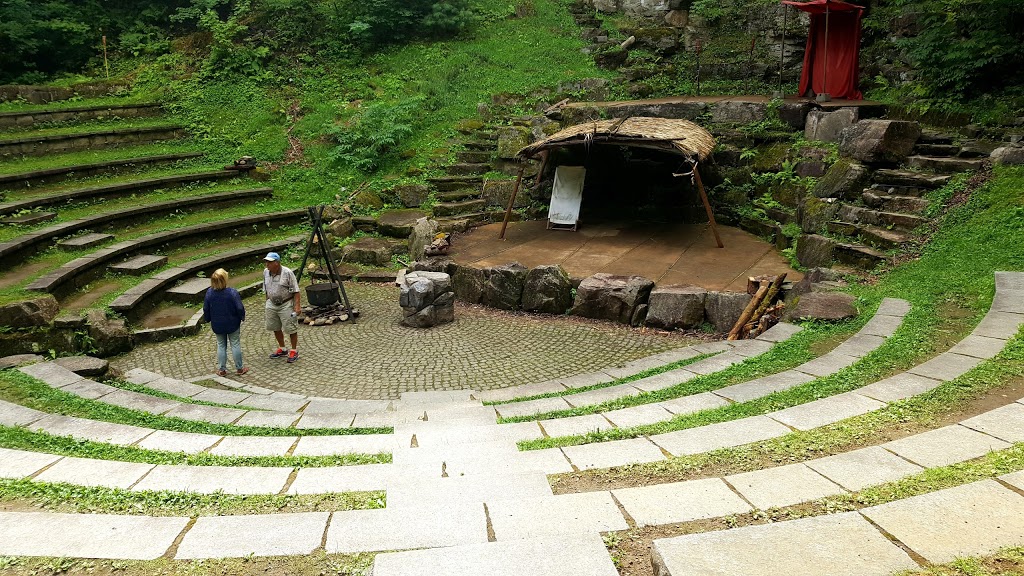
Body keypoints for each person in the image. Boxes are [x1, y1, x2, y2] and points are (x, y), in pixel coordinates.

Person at [202, 268, 249, 376]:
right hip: (232, 323)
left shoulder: (209, 293)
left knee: (221, 345)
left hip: (217, 324)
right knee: (235, 344)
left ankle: (222, 369)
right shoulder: (232, 292)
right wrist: (241, 317)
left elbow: (206, 308)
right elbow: (239, 307)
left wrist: (208, 319)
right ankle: (239, 368)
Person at [263, 251, 301, 363]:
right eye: (266, 262)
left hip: (286, 303)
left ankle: (294, 350)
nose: (267, 264)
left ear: (277, 263)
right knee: (275, 327)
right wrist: (267, 302)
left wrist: (297, 306)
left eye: (269, 262)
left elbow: (296, 290)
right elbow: (265, 287)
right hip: (271, 304)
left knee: (291, 328)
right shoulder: (266, 272)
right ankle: (282, 348)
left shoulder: (287, 273)